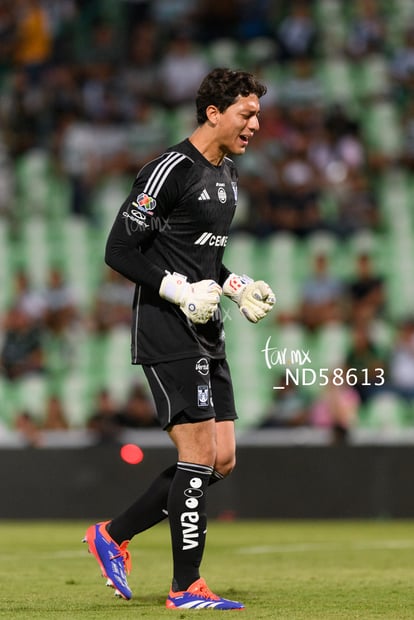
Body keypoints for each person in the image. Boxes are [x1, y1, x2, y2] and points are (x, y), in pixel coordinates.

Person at [83, 68, 275, 611]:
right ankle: (185, 587)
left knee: (222, 460)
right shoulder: (169, 169)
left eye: (257, 113)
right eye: (246, 113)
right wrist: (176, 288)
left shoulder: (229, 174)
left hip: (207, 327)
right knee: (197, 455)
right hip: (168, 326)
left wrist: (234, 285)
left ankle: (113, 534)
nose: (255, 124)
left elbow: (204, 257)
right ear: (213, 113)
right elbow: (119, 249)